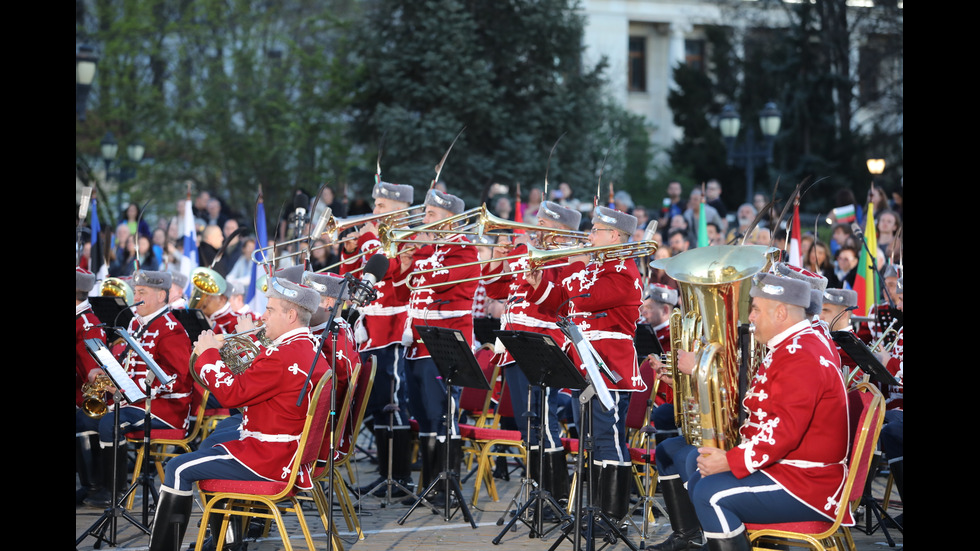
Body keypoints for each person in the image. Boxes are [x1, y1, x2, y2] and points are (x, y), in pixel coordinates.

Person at [652, 272, 849, 551]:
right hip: (789, 470)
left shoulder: (801, 354)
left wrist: (731, 461)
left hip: (806, 484)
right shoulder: (792, 346)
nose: (751, 316)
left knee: (711, 493)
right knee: (699, 480)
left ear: (781, 312)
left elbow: (784, 432)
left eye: (755, 308)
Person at [147, 277, 324, 551]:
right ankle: (226, 542)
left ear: (291, 315)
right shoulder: (305, 347)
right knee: (211, 445)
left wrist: (208, 355)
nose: (263, 316)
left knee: (177, 467)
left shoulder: (284, 356)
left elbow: (231, 394)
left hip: (268, 458)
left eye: (270, 310)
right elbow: (261, 385)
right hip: (283, 454)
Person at [525, 205, 646, 536]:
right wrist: (539, 285)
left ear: (614, 236)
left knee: (609, 439)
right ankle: (595, 511)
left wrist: (575, 263)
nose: (588, 235)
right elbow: (562, 299)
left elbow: (585, 297)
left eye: (595, 230)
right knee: (590, 440)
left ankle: (612, 516)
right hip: (583, 362)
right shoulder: (593, 268)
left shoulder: (624, 271)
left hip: (610, 367)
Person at [481, 199, 583, 520]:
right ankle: (538, 494)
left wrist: (534, 264)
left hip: (544, 343)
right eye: (537, 222)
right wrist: (499, 259)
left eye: (545, 225)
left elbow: (559, 298)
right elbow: (497, 288)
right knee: (528, 422)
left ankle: (553, 495)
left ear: (563, 231)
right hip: (513, 342)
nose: (537, 230)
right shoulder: (526, 251)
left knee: (545, 421)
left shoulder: (570, 257)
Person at [393, 188, 479, 505]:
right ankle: (427, 485)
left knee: (442, 414)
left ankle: (447, 487)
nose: (423, 218)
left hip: (444, 345)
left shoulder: (466, 250)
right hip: (417, 344)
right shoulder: (427, 250)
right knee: (424, 417)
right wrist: (405, 258)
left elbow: (440, 280)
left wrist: (415, 256)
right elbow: (402, 287)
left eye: (430, 214)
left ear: (450, 219)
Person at [86, 270, 194, 508]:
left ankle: (113, 489)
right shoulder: (136, 322)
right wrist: (109, 373)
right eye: (136, 292)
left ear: (161, 296)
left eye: (142, 293)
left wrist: (137, 389)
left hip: (167, 410)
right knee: (86, 420)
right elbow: (129, 363)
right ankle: (92, 484)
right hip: (137, 401)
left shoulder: (171, 329)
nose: (137, 298)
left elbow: (177, 379)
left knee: (109, 423)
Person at [339, 181, 418, 498]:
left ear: (399, 208)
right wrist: (348, 250)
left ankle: (399, 476)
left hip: (394, 327)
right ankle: (386, 473)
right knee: (374, 404)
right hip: (370, 326)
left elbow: (388, 269)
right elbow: (356, 275)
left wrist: (368, 235)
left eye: (382, 206)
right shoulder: (376, 237)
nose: (375, 211)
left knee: (392, 402)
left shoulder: (407, 236)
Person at [76, 267, 109, 504]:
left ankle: (94, 485)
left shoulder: (87, 323)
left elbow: (94, 371)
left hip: (86, 398)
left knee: (82, 421)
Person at [637, 283, 679, 443]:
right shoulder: (642, 331)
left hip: (661, 400)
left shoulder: (673, 337)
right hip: (645, 397)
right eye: (642, 307)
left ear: (666, 310)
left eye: (648, 307)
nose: (643, 312)